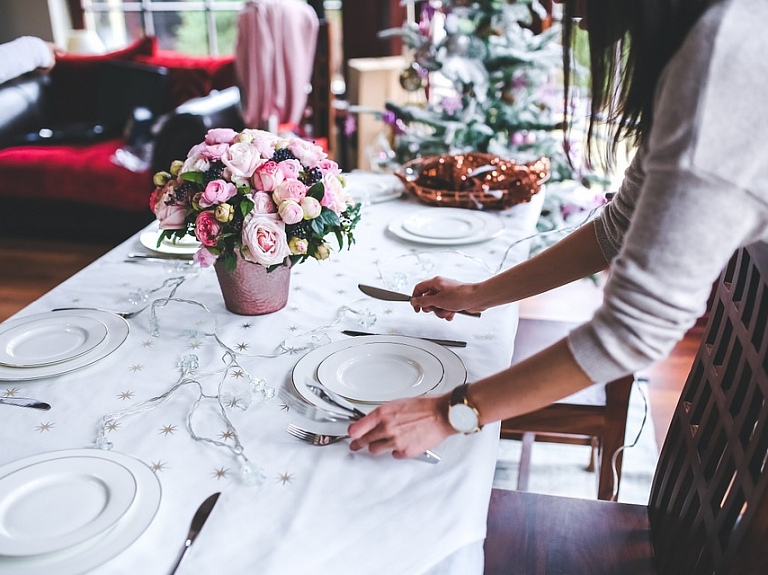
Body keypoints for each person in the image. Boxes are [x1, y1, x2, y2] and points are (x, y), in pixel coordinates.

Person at [348, 0, 768, 459]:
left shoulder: (724, 61)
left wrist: (448, 414)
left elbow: (632, 331)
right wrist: (476, 296)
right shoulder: (710, 38)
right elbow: (618, 228)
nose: (566, 11)